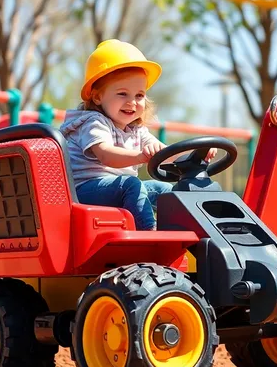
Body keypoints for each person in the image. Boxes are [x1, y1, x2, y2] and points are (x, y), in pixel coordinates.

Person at [60, 39, 215, 230]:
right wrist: (140, 156)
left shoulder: (137, 130)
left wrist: (196, 153)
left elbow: (165, 154)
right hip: (84, 191)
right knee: (132, 184)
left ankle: (195, 232)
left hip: (118, 189)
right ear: (98, 96)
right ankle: (149, 232)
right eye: (123, 94)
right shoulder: (93, 122)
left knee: (166, 191)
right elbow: (106, 154)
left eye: (139, 95)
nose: (132, 102)